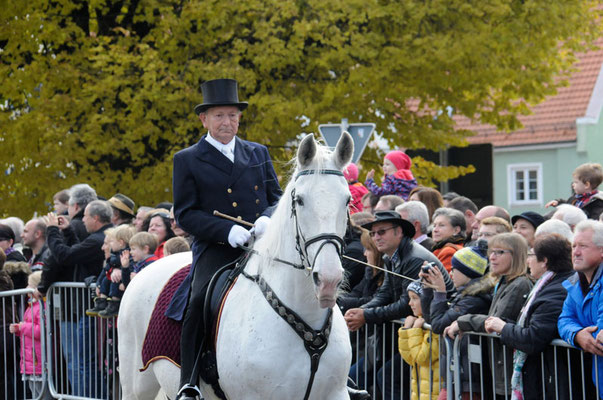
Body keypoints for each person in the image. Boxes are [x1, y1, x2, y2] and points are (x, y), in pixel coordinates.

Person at [169, 78, 282, 400]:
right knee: (199, 301)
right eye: (219, 115)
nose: (227, 122)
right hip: (217, 247)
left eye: (232, 115)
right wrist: (226, 231)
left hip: (261, 245)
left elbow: (277, 198)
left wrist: (266, 218)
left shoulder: (257, 152)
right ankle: (189, 382)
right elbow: (186, 214)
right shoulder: (187, 158)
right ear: (204, 119)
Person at [344, 211, 454, 400]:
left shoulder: (413, 258)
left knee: (389, 377)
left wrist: (366, 315)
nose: (376, 237)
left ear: (399, 232)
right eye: (373, 233)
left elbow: (406, 304)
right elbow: (385, 293)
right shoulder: (391, 257)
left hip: (431, 332)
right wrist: (363, 310)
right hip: (415, 331)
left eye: (382, 232)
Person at [485, 233, 575, 399]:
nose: (527, 261)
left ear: (545, 261)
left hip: (551, 380)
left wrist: (503, 328)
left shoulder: (555, 291)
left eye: (531, 256)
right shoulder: (546, 285)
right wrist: (506, 324)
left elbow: (534, 337)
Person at [446, 233, 534, 398]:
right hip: (499, 367)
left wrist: (464, 321)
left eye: (499, 252)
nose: (492, 257)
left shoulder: (520, 284)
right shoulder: (505, 281)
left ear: (515, 255)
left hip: (507, 369)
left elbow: (495, 322)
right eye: (491, 252)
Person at [41, 199, 112, 397]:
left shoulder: (98, 239)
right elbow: (78, 254)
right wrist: (67, 232)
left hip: (91, 308)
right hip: (86, 306)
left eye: (86, 216)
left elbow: (66, 256)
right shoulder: (98, 238)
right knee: (83, 361)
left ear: (96, 218)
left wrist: (52, 231)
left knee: (85, 362)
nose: (83, 221)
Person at [421, 245, 491, 400]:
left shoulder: (474, 300)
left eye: (454, 269)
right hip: (456, 376)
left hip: (468, 380)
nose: (451, 273)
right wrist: (428, 289)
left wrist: (440, 292)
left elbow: (438, 326)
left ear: (467, 272)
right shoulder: (463, 295)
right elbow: (430, 319)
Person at [558, 220, 603, 398]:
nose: (575, 252)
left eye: (583, 246)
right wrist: (577, 335)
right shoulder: (575, 283)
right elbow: (564, 319)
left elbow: (599, 335)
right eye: (573, 246)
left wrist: (588, 336)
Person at [9, 271, 51, 399]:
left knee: (42, 393)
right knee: (34, 392)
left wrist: (23, 327)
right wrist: (18, 330)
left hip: (38, 360)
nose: (27, 288)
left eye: (30, 285)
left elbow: (40, 331)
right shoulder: (31, 306)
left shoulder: (42, 307)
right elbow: (30, 330)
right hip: (30, 360)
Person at [398, 281, 439, 400]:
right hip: (420, 391)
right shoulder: (421, 322)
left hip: (433, 393)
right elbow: (409, 358)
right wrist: (406, 330)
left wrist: (414, 330)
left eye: (415, 298)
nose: (410, 303)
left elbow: (421, 358)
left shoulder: (433, 326)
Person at [86, 224, 136, 318]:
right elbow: (106, 268)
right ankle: (102, 302)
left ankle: (114, 303)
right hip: (119, 281)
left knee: (115, 280)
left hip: (124, 283)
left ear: (121, 242)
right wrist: (98, 284)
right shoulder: (116, 254)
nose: (109, 245)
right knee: (106, 280)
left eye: (111, 241)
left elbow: (127, 266)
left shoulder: (126, 254)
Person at [431, 207, 466, 272]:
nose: (435, 230)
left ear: (456, 230)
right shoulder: (443, 248)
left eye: (441, 225)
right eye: (434, 225)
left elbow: (444, 281)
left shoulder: (449, 251)